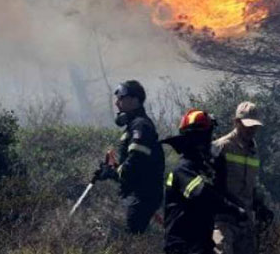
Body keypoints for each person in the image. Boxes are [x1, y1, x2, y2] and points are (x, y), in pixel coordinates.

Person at [162, 108, 248, 254]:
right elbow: (203, 195)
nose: (209, 141)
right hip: (183, 247)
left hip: (201, 244)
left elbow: (219, 192)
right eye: (207, 136)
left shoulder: (200, 168)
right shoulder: (183, 170)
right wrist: (234, 209)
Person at [93, 80, 165, 234]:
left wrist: (112, 173)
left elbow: (135, 163)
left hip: (142, 194)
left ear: (134, 100)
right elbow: (130, 166)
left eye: (121, 98)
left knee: (129, 238)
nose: (116, 103)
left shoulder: (140, 126)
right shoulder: (134, 125)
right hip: (136, 193)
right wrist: (109, 169)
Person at [212, 102, 274, 254]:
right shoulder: (221, 147)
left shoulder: (254, 151)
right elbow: (209, 183)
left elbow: (252, 184)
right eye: (247, 125)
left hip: (246, 222)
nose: (251, 129)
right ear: (236, 122)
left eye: (254, 126)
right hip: (222, 221)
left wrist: (260, 204)